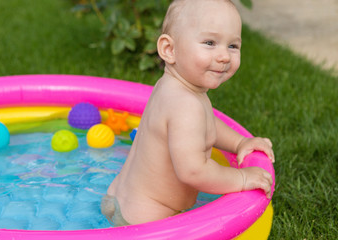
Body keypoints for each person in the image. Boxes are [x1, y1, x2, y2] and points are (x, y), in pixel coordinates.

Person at [101, 0, 275, 227]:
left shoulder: (172, 88)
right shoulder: (186, 105)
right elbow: (193, 171)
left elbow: (206, 122)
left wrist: (240, 142)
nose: (224, 56)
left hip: (119, 199)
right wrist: (241, 178)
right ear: (169, 50)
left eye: (233, 46)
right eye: (210, 42)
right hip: (146, 224)